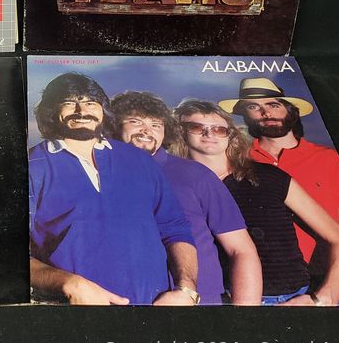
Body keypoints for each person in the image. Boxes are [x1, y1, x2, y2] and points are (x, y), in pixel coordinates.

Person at [29, 73, 199, 306]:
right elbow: (8, 254)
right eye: (69, 103)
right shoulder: (32, 166)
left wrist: (187, 290)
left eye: (91, 103)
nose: (82, 111)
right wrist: (69, 283)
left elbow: (175, 229)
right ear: (50, 110)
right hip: (74, 314)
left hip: (153, 310)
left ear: (103, 110)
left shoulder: (140, 160)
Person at [171, 99, 339, 306]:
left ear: (231, 135)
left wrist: (323, 298)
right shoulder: (174, 185)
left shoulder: (269, 176)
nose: (209, 134)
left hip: (288, 299)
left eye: (219, 129)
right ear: (180, 132)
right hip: (219, 300)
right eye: (197, 127)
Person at [219, 78, 339, 305]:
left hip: (323, 285)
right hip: (258, 288)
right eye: (253, 106)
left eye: (274, 104)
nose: (266, 112)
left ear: (291, 110)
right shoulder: (236, 163)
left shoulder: (330, 160)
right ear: (244, 115)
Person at [110, 91, 262, 305]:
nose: (147, 130)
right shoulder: (97, 175)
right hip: (123, 303)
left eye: (156, 124)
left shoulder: (196, 175)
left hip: (198, 304)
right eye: (135, 121)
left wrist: (245, 318)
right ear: (114, 125)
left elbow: (241, 250)